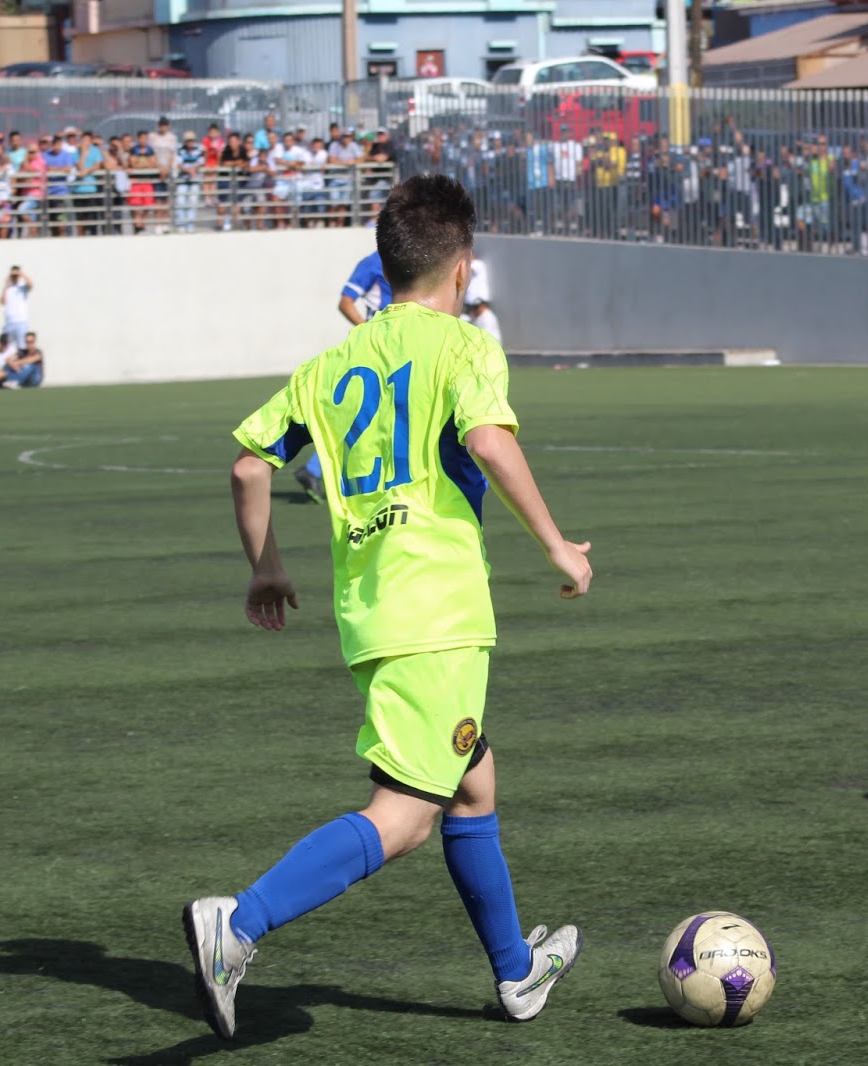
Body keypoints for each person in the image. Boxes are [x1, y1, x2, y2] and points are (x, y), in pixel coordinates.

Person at [184, 175, 591, 1041]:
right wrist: (558, 544)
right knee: (404, 817)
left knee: (472, 783)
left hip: (371, 611)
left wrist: (266, 568)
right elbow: (488, 440)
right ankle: (238, 924)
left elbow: (250, 466)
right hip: (439, 608)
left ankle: (517, 970)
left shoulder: (330, 365)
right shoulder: (465, 346)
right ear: (462, 267)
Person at [293, 249, 394, 503]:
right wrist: (367, 331)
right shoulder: (373, 263)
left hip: (399, 345)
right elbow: (345, 302)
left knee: (374, 414)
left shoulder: (408, 254)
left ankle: (316, 470)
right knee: (376, 413)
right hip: (383, 349)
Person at [1, 266, 33, 342]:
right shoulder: (8, 288)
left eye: (16, 275)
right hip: (9, 321)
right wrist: (5, 286)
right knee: (8, 346)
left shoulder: (22, 286)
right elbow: (2, 302)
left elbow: (31, 285)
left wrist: (21, 274)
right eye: (13, 275)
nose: (14, 277)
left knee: (22, 346)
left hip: (21, 321)